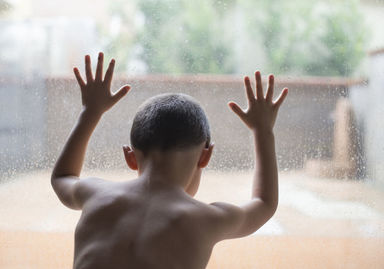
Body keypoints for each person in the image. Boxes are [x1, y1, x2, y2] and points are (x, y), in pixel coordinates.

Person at [51, 52, 288, 269]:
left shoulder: (95, 193)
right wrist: (263, 130)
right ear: (205, 155)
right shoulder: (205, 218)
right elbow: (264, 203)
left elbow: (62, 176)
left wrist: (90, 112)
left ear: (130, 157)